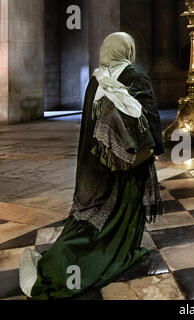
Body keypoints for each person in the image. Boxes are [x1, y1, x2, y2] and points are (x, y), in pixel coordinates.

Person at [19, 32, 165, 300]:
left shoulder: (95, 79)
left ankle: (70, 255)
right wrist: (155, 146)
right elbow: (149, 115)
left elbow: (88, 127)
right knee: (123, 209)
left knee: (95, 212)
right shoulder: (134, 74)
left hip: (97, 165)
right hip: (129, 165)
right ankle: (116, 252)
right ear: (127, 50)